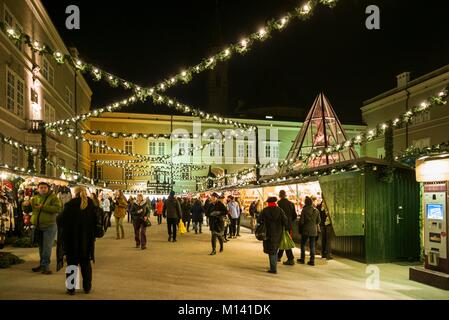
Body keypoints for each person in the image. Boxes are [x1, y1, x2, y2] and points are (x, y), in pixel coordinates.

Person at [57, 186, 97, 295]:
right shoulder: (91, 205)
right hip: (87, 240)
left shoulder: (70, 205)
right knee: (85, 264)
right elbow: (96, 222)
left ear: (75, 193)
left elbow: (60, 221)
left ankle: (71, 289)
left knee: (72, 264)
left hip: (72, 239)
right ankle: (87, 287)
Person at [30, 182, 62, 274]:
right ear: (38, 188)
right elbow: (29, 210)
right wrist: (25, 205)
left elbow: (57, 209)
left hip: (49, 226)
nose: (43, 189)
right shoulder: (35, 198)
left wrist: (43, 207)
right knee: (41, 247)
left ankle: (46, 266)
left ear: (48, 188)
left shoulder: (53, 198)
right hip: (38, 226)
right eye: (41, 187)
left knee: (47, 247)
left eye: (44, 187)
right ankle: (42, 264)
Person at [258, 196, 288, 274]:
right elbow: (285, 221)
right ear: (275, 203)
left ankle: (273, 268)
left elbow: (259, 220)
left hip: (267, 233)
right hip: (278, 233)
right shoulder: (280, 210)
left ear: (268, 203)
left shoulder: (265, 210)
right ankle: (273, 266)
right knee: (275, 249)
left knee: (271, 250)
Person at [298, 196, 321, 266]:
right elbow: (319, 221)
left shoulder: (304, 210)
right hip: (314, 230)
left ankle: (302, 259)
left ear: (306, 203)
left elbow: (301, 221)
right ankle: (312, 260)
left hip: (305, 230)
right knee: (312, 245)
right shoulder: (316, 210)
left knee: (303, 244)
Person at [277, 190, 297, 265]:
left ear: (280, 196)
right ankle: (278, 256)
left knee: (285, 241)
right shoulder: (291, 204)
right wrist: (290, 221)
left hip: (281, 225)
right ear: (285, 195)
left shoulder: (279, 204)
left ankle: (290, 258)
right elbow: (294, 216)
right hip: (289, 225)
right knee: (284, 240)